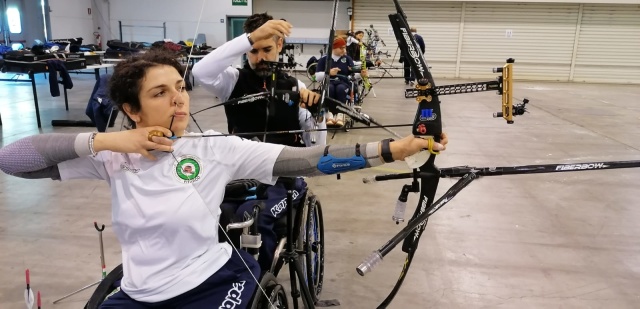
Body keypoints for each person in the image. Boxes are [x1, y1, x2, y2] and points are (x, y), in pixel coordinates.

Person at [0, 48, 448, 308]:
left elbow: (309, 160)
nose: (179, 100)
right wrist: (106, 143)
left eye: (180, 88)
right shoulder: (114, 159)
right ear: (132, 111)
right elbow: (12, 158)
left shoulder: (213, 148)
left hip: (214, 281)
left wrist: (395, 149)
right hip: (137, 293)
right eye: (160, 93)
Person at [192, 13, 325, 147]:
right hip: (245, 163)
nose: (260, 58)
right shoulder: (232, 80)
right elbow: (200, 72)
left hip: (285, 163)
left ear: (279, 44)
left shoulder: (296, 86)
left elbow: (315, 147)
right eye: (253, 51)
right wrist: (250, 38)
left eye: (267, 49)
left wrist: (318, 116)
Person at [315, 37, 368, 127]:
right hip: (329, 82)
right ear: (333, 48)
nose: (344, 50)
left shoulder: (347, 59)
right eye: (341, 48)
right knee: (330, 88)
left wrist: (361, 75)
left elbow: (352, 75)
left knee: (340, 89)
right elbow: (316, 77)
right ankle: (330, 114)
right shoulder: (324, 59)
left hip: (343, 82)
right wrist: (328, 73)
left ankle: (340, 114)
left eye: (344, 47)